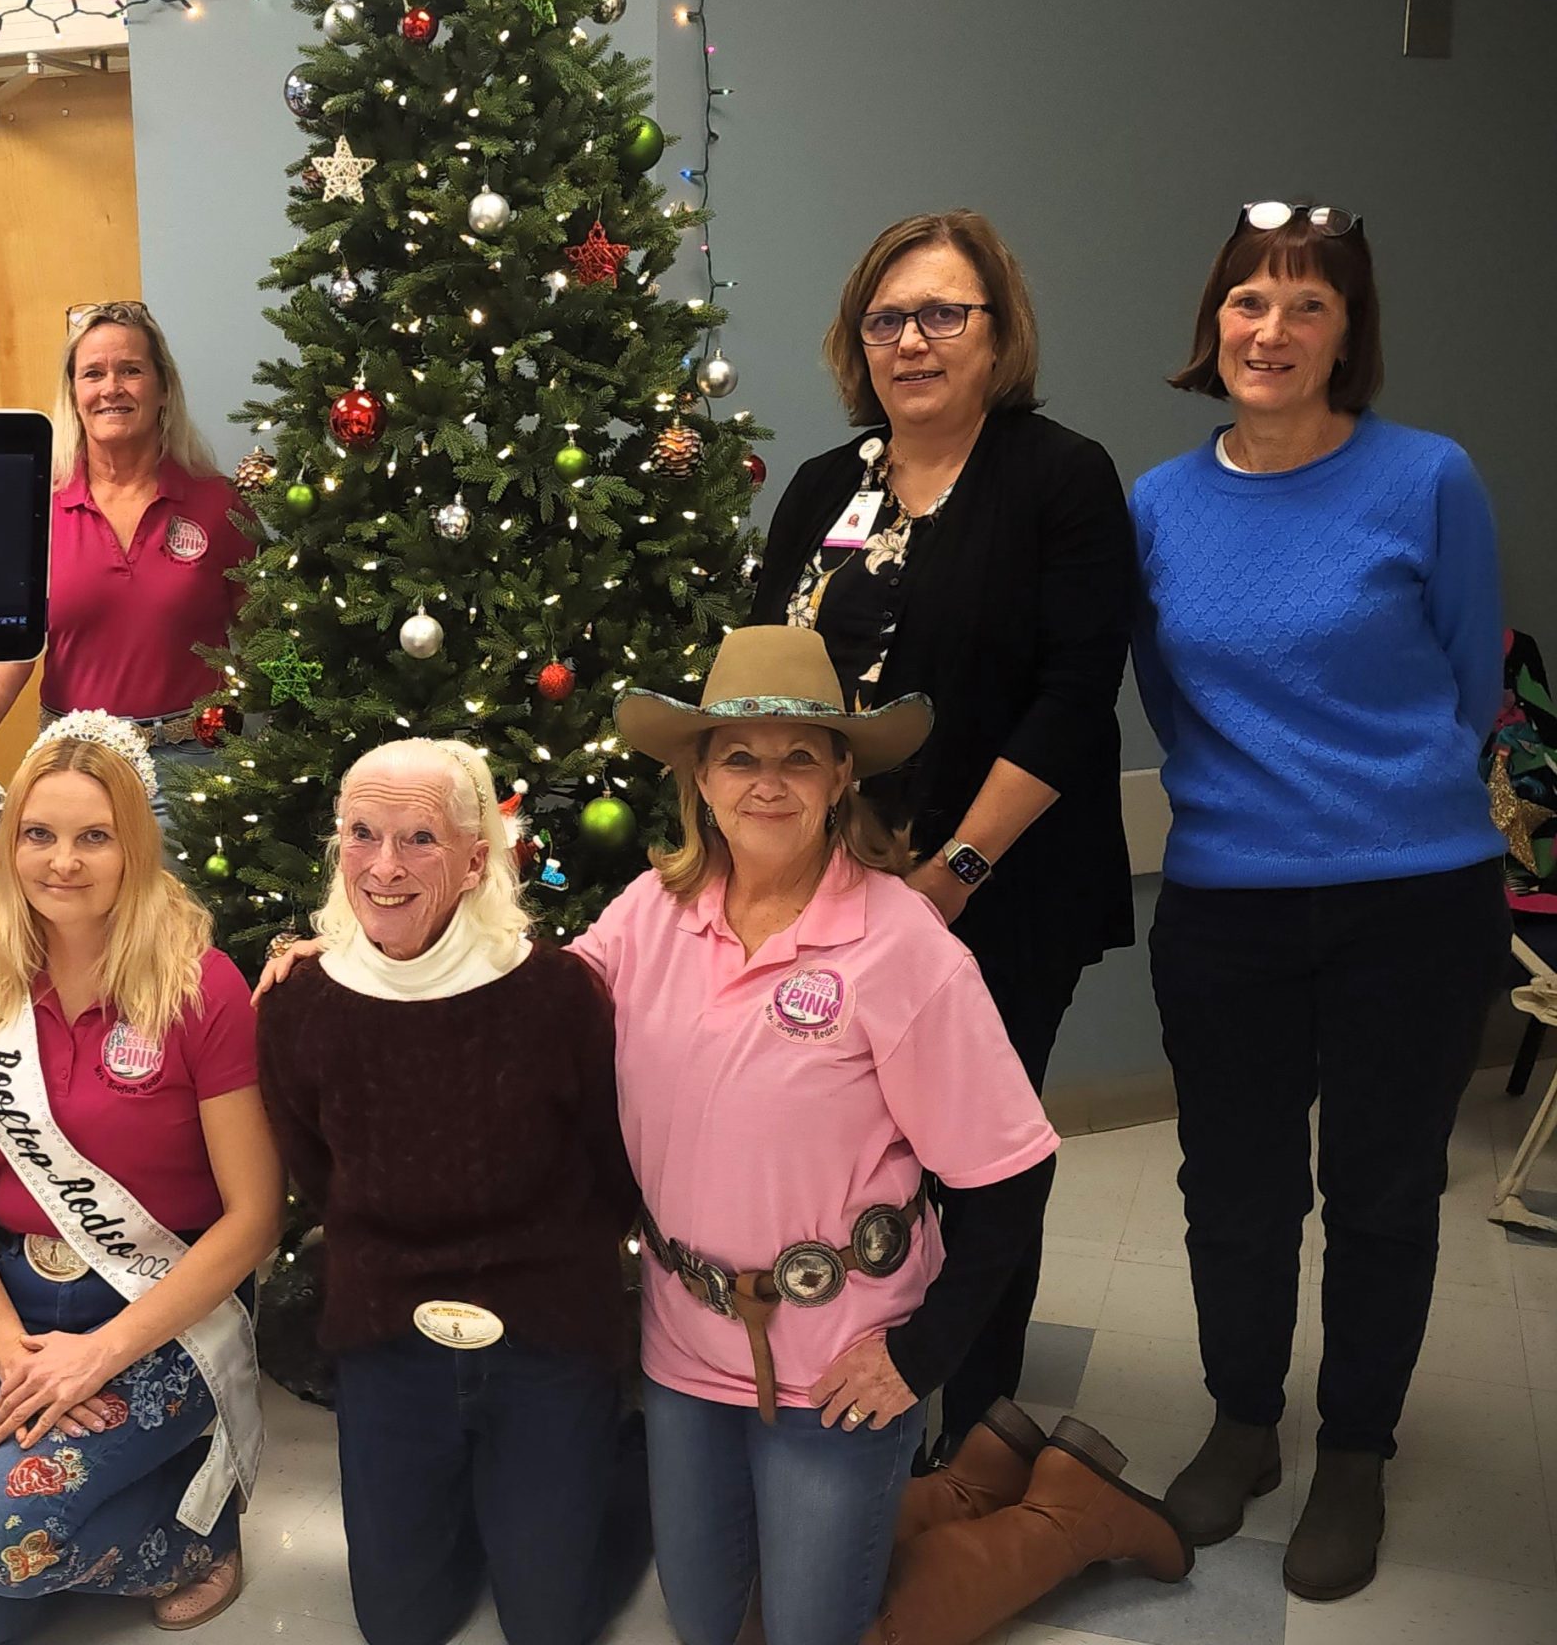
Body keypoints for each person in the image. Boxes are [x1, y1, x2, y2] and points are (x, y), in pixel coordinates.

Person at [578, 626, 1181, 1645]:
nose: (767, 780)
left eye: (798, 754)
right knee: (711, 1623)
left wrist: (920, 1352)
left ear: (841, 772)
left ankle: (1062, 1514)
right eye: (738, 754)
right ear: (698, 774)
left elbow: (1010, 1175)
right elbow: (528, 1009)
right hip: (686, 1344)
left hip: (840, 1353)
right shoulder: (649, 912)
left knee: (813, 1631)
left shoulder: (901, 945)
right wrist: (348, 957)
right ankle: (965, 1483)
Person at [1132, 202, 1507, 1601]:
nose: (1272, 330)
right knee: (1232, 1187)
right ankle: (1246, 1425)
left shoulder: (1429, 480)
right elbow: (1171, 698)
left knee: (1385, 1191)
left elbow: (1474, 679)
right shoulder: (1160, 506)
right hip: (1229, 900)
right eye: (1248, 301)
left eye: (1307, 305)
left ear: (1349, 334)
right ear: (1211, 325)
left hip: (1413, 898)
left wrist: (1376, 800)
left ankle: (1354, 1450)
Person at [750, 210, 1135, 1452]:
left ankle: (970, 1422)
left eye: (940, 314)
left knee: (977, 1159)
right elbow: (759, 683)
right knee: (853, 1150)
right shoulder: (825, 485)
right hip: (830, 891)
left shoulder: (1057, 477)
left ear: (996, 331)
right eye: (884, 318)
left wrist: (953, 869)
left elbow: (1078, 693)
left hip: (997, 887)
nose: (909, 341)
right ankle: (851, 1378)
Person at [255, 738, 647, 1645]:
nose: (384, 867)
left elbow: (608, 1163)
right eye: (362, 834)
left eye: (421, 839)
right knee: (401, 1623)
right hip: (389, 1328)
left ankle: (616, 1456)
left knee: (550, 1623)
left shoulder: (556, 994)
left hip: (546, 1323)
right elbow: (320, 1175)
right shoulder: (299, 1004)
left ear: (478, 860)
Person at [0, 712, 280, 1642]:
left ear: (134, 848)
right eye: (39, 835)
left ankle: (198, 1535)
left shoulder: (201, 987)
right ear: (11, 843)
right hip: (19, 1303)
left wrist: (100, 1356)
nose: (62, 862)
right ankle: (116, 1481)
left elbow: (254, 1216)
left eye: (93, 837)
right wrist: (6, 1348)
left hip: (160, 1308)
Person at [0, 303, 252, 802]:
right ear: (74, 394)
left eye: (131, 371)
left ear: (163, 390)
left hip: (192, 770)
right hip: (70, 764)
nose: (111, 388)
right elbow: (0, 656)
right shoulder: (34, 509)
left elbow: (268, 636)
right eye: (93, 373)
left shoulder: (218, 502)